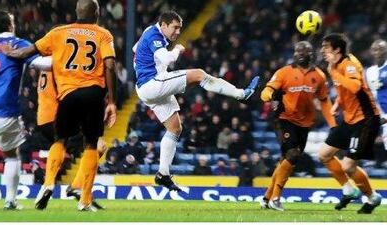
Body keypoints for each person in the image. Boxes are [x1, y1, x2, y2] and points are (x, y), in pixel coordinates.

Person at [1, 0, 117, 211]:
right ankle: (84, 199)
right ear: (97, 13)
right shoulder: (103, 34)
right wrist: (112, 101)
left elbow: (30, 51)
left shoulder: (58, 36)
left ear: (76, 12)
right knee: (95, 146)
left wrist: (12, 53)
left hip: (62, 101)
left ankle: (48, 184)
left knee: (60, 140)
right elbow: (110, 65)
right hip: (90, 93)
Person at [133, 11, 260, 191]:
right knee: (199, 75)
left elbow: (135, 50)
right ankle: (241, 94)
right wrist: (177, 49)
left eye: (180, 28)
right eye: (174, 28)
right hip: (152, 83)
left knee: (175, 128)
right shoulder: (155, 35)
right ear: (163, 25)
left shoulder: (148, 32)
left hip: (145, 87)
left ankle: (163, 174)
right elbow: (168, 58)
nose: (177, 32)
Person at [260, 41, 337, 211]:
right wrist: (270, 96)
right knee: (292, 154)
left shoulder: (319, 76)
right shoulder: (284, 72)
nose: (300, 54)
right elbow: (266, 91)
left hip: (304, 123)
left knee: (286, 162)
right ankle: (276, 199)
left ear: (312, 54)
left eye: (304, 51)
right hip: (284, 119)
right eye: (297, 51)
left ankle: (266, 198)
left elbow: (324, 101)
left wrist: (333, 124)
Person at [0, 10, 51, 210]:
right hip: (2, 110)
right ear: (9, 25)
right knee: (11, 155)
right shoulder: (15, 43)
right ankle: (10, 201)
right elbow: (44, 64)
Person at [318, 33, 382, 214]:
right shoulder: (335, 65)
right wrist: (337, 104)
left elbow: (354, 86)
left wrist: (334, 73)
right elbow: (343, 90)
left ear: (337, 49)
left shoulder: (349, 64)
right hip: (349, 119)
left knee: (348, 166)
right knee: (324, 155)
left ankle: (372, 197)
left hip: (366, 120)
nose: (323, 51)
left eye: (326, 47)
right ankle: (348, 189)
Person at [37, 70, 106, 210]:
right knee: (99, 146)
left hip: (43, 118)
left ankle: (49, 183)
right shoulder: (62, 63)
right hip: (59, 115)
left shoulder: (44, 65)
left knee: (60, 142)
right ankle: (77, 187)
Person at [365, 39, 387, 150]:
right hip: (381, 115)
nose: (378, 52)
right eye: (375, 50)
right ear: (371, 52)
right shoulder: (369, 72)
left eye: (381, 49)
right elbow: (371, 94)